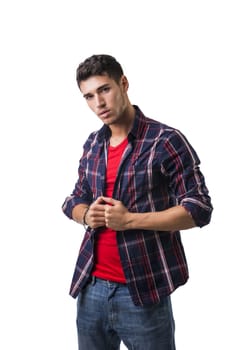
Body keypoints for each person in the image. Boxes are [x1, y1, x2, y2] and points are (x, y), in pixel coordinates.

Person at [62, 54, 213, 350]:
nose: (98, 104)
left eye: (104, 90)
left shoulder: (165, 140)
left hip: (143, 290)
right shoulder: (93, 143)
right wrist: (85, 214)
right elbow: (74, 198)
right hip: (90, 287)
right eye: (89, 96)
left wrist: (130, 220)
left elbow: (199, 208)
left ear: (124, 83)